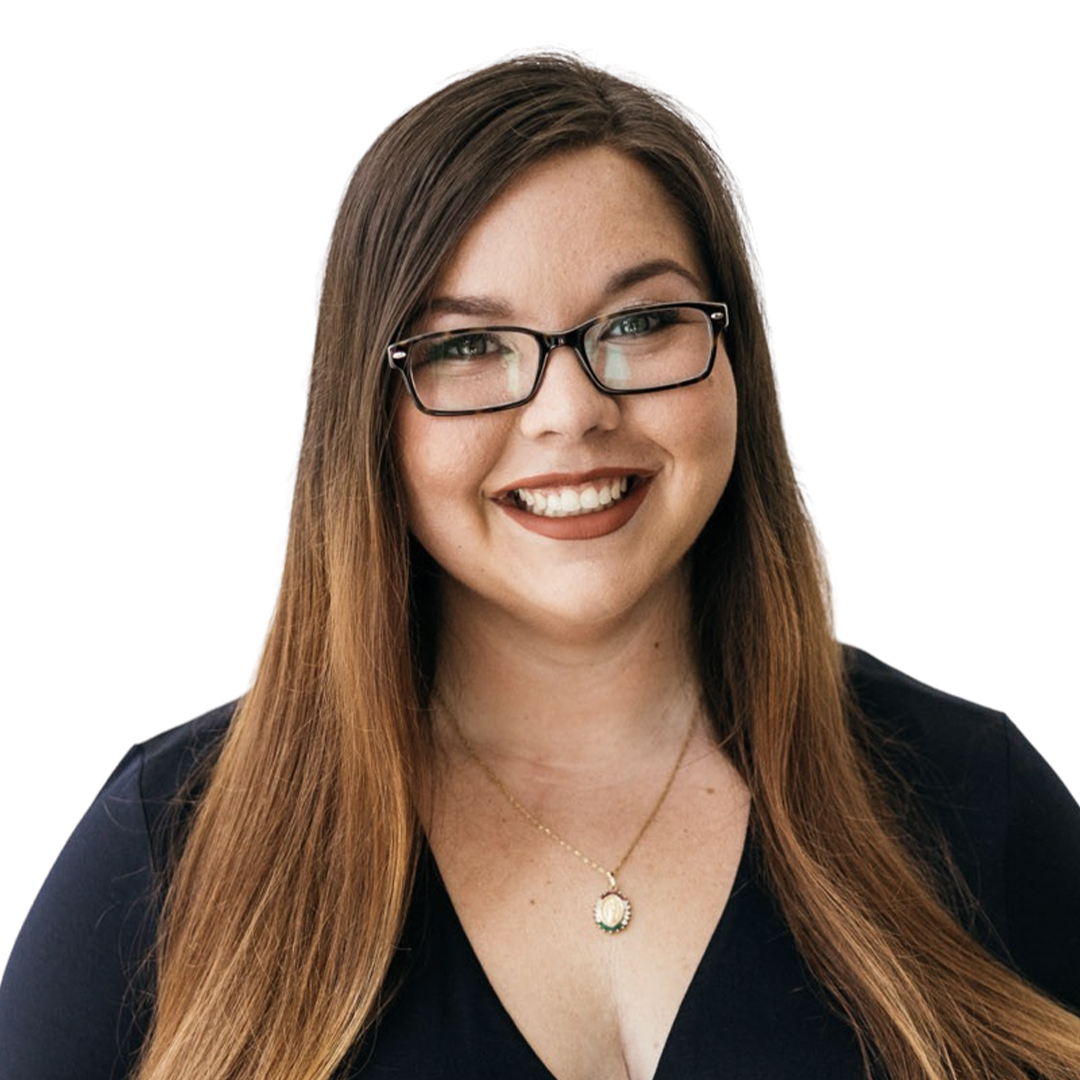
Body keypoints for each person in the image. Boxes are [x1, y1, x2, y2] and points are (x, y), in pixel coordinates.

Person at [1, 52, 1078, 1080]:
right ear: (367, 414)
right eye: (469, 346)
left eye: (644, 322)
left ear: (733, 357)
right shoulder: (169, 851)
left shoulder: (974, 803)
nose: (571, 413)